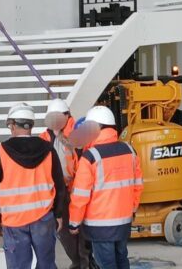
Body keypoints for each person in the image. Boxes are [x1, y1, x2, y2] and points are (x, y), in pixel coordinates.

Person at [0, 103, 69, 269]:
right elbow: (60, 186)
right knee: (46, 264)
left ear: (12, 125)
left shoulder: (1, 151)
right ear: (30, 125)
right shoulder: (48, 150)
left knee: (18, 266)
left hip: (14, 222)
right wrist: (58, 214)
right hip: (44, 218)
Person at [67, 106, 142, 269]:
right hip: (124, 222)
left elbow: (80, 195)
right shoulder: (130, 151)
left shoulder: (90, 157)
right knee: (122, 260)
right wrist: (133, 209)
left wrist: (74, 223)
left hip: (100, 226)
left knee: (106, 264)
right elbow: (137, 185)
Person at [42, 99, 94, 269]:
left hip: (78, 189)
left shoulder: (79, 131)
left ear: (67, 115)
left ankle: (86, 262)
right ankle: (77, 261)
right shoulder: (44, 137)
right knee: (64, 232)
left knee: (81, 229)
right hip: (57, 191)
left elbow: (83, 156)